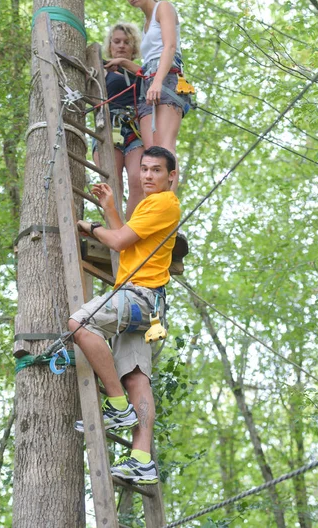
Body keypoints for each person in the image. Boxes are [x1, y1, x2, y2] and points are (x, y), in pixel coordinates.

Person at [68, 146, 180, 485]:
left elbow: (116, 243)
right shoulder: (151, 206)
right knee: (136, 378)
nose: (147, 176)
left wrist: (91, 226)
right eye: (143, 169)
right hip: (147, 306)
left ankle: (117, 406)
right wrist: (112, 210)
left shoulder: (162, 203)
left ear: (171, 176)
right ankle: (142, 460)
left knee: (80, 323)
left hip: (138, 297)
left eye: (156, 170)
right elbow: (128, 243)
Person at [105, 0, 192, 193]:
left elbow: (170, 47)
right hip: (148, 84)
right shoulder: (145, 25)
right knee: (151, 153)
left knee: (165, 147)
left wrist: (157, 81)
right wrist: (124, 63)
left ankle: (167, 206)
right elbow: (146, 67)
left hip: (167, 81)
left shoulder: (163, 8)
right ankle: (152, 206)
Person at [94, 23, 144, 219]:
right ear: (110, 44)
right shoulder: (100, 69)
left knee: (138, 180)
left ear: (134, 47)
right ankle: (116, 228)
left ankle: (131, 230)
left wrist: (124, 63)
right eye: (117, 41)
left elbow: (152, 79)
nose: (121, 45)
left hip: (135, 128)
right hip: (110, 125)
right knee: (112, 184)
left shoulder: (143, 72)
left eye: (127, 42)